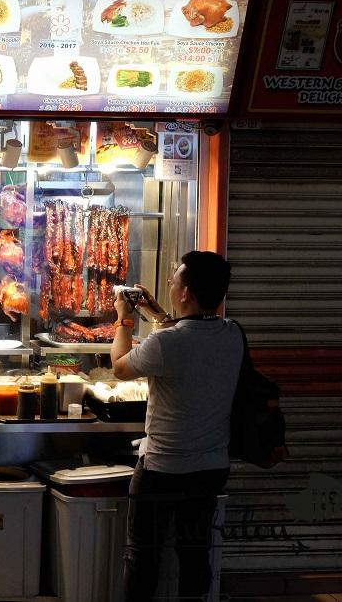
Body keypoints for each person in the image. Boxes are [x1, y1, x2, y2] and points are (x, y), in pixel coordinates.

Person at [111, 251, 242, 602]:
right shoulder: (233, 335)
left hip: (162, 468)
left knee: (143, 555)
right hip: (211, 467)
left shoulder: (166, 343)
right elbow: (190, 336)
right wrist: (159, 315)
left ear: (185, 293)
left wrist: (123, 320)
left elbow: (120, 367)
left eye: (174, 281)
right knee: (195, 552)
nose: (170, 285)